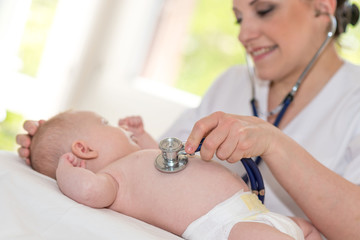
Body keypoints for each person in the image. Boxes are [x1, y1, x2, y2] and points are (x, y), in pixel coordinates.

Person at [16, 0, 360, 239]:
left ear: (322, 6)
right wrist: (60, 148)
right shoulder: (233, 83)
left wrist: (274, 144)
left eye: (264, 9)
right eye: (239, 18)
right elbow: (154, 173)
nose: (244, 35)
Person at [28, 110, 320, 240]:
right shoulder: (114, 180)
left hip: (254, 211)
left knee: (306, 229)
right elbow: (88, 192)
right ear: (83, 149)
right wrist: (64, 169)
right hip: (223, 227)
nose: (116, 125)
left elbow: (160, 158)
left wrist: (141, 135)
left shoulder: (138, 158)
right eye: (104, 121)